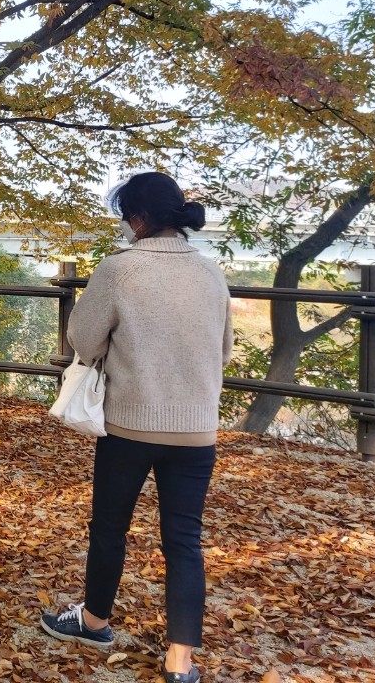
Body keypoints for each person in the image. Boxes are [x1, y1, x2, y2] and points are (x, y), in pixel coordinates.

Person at [40, 172, 233, 683]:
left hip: (130, 424)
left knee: (110, 527)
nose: (125, 225)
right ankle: (179, 661)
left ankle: (94, 621)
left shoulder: (119, 269)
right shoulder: (210, 271)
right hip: (196, 431)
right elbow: (224, 351)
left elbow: (84, 340)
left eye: (126, 216)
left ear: (140, 218)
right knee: (184, 540)